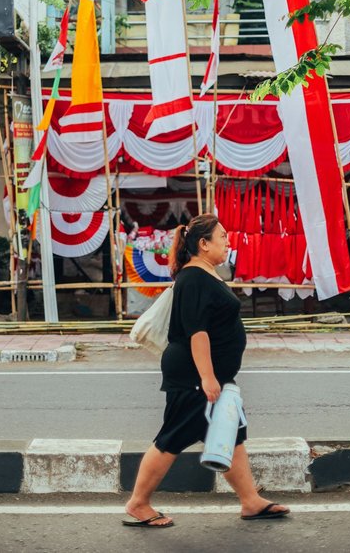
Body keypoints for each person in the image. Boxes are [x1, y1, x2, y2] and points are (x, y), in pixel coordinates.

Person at [123, 213, 291, 528]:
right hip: (193, 376)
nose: (228, 241)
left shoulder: (206, 273)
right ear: (203, 243)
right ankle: (138, 504)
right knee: (171, 438)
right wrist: (207, 377)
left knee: (231, 434)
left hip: (206, 375)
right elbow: (196, 331)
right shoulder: (194, 278)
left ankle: (250, 501)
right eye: (223, 236)